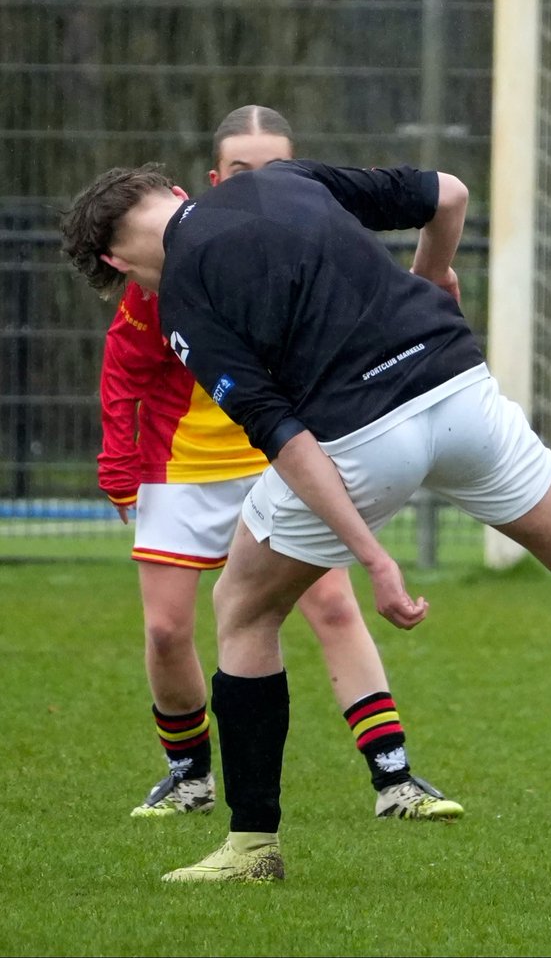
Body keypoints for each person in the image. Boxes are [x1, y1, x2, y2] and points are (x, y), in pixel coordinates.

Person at [60, 155, 551, 885]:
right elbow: (448, 191)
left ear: (118, 263)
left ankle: (251, 845)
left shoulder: (184, 297)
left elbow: (283, 434)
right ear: (172, 192)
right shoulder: (287, 179)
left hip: (363, 437)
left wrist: (372, 555)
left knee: (242, 608)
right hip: (463, 390)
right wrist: (434, 271)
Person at [97, 105, 462, 824]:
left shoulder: (303, 238)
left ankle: (394, 777)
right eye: (241, 172)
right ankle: (190, 774)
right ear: (208, 181)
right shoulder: (165, 275)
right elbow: (125, 375)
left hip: (282, 457)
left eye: (272, 168)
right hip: (182, 469)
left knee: (331, 603)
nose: (258, 183)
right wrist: (119, 466)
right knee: (169, 629)